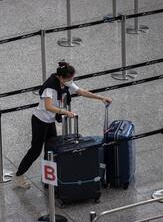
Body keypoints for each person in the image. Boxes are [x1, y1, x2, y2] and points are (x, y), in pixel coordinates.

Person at [14, 61, 113, 189]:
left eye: (72, 79)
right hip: (40, 121)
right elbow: (48, 106)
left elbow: (81, 91)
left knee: (51, 149)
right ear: (60, 77)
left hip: (49, 121)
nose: (71, 81)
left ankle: (48, 178)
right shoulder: (50, 86)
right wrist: (65, 112)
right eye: (69, 79)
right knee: (35, 151)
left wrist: (101, 97)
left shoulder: (65, 82)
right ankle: (18, 175)